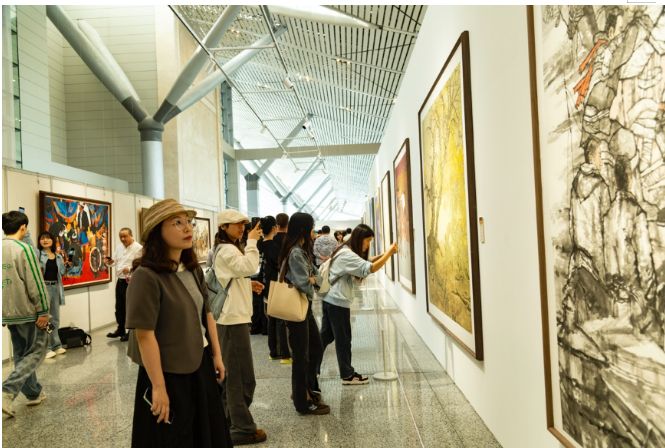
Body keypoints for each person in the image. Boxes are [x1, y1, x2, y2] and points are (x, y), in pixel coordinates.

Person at [125, 199, 231, 447]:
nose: (187, 229)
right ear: (157, 232)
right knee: (174, 436)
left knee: (206, 432)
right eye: (177, 223)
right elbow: (145, 335)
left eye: (189, 223)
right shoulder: (146, 276)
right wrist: (158, 387)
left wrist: (216, 354)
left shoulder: (192, 269)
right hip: (168, 372)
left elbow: (206, 314)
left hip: (199, 364)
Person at [319, 224, 398, 384]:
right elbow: (369, 268)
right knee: (343, 339)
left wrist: (384, 254)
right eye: (367, 241)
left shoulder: (345, 250)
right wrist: (389, 253)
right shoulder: (347, 254)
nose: (368, 245)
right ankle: (347, 375)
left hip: (330, 299)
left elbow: (365, 261)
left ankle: (310, 367)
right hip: (337, 302)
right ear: (360, 238)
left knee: (326, 336)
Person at [214, 209, 267, 445]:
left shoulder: (229, 248)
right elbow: (248, 266)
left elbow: (236, 276)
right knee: (240, 378)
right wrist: (253, 242)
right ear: (224, 227)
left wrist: (247, 285)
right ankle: (242, 427)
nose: (242, 229)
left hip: (234, 318)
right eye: (237, 225)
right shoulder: (226, 250)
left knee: (237, 376)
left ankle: (227, 421)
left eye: (244, 225)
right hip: (231, 320)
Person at [278, 212, 329, 415]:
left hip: (302, 309)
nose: (313, 231)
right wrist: (312, 281)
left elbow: (313, 278)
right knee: (302, 356)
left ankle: (305, 390)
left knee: (314, 348)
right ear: (303, 229)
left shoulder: (301, 250)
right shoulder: (296, 252)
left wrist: (314, 281)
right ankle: (302, 400)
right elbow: (302, 283)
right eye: (311, 227)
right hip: (296, 310)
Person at [2, 211, 50, 418]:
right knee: (38, 350)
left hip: (9, 312)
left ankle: (33, 393)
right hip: (28, 312)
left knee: (22, 354)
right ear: (23, 228)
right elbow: (35, 282)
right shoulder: (24, 249)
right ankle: (7, 390)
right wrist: (44, 310)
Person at [104, 227, 142, 341]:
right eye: (121, 236)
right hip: (120, 280)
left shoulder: (139, 248)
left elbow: (143, 264)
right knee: (119, 307)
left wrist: (130, 268)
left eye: (125, 236)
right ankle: (120, 329)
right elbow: (115, 261)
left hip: (132, 281)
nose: (123, 238)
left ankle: (131, 331)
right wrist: (110, 262)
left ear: (131, 235)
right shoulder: (119, 247)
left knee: (129, 307)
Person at [263, 213, 291, 362]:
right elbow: (281, 264)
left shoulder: (262, 244)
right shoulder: (282, 243)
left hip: (267, 284)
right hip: (279, 284)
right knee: (281, 319)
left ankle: (273, 350)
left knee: (272, 318)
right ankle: (284, 353)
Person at [37, 231, 67, 359]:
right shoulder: (38, 254)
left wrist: (67, 264)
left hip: (56, 287)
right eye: (42, 239)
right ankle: (47, 348)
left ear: (52, 241)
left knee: (55, 318)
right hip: (44, 288)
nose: (45, 241)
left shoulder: (58, 256)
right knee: (46, 318)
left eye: (48, 238)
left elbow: (62, 272)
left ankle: (56, 345)